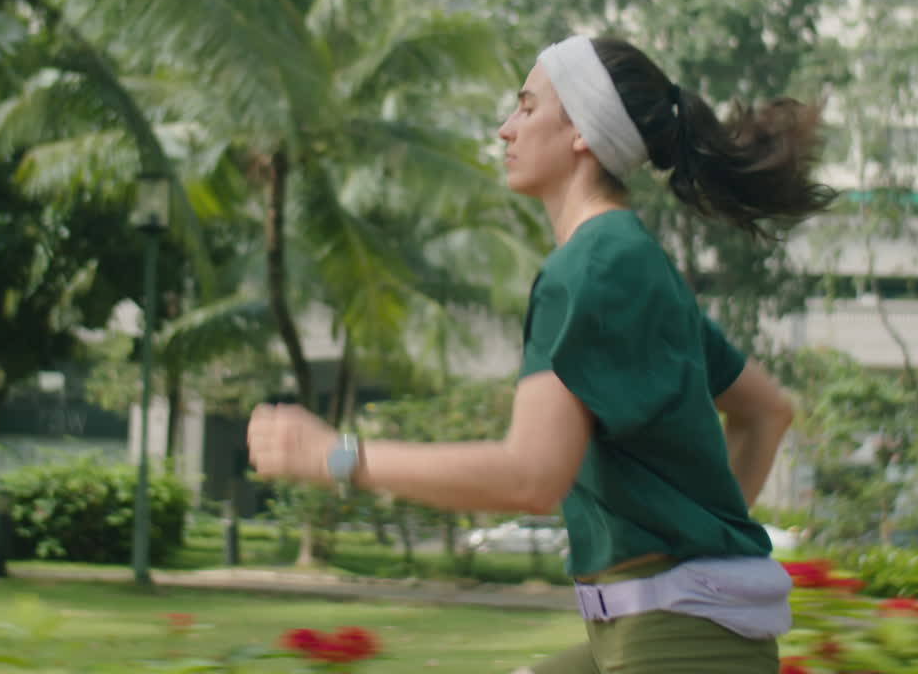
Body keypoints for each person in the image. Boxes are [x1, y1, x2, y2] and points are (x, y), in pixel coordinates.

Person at [246, 35, 836, 673]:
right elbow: (765, 410)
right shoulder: (629, 259)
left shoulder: (590, 267)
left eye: (526, 108)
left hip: (678, 639)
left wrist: (337, 456)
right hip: (660, 629)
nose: (505, 129)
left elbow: (531, 477)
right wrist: (695, 546)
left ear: (581, 131)